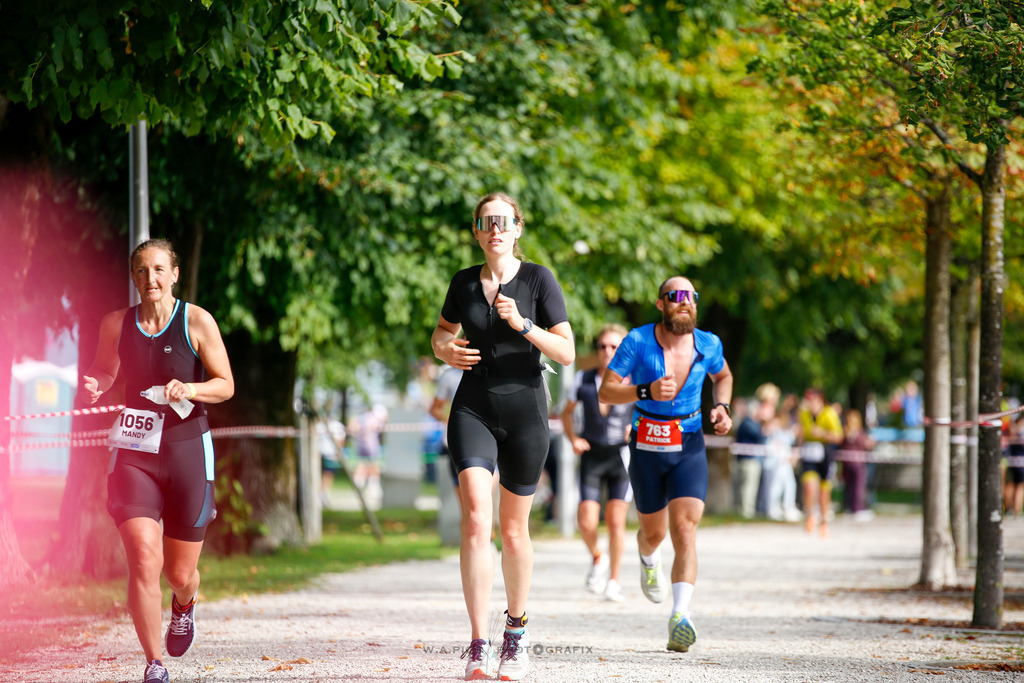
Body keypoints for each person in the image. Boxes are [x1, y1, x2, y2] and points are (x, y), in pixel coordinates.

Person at [431, 192, 575, 681]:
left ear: (518, 228)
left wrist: (524, 324)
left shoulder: (538, 279)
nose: (495, 229)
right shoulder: (463, 282)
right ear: (476, 230)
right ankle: (477, 643)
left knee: (513, 532)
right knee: (476, 521)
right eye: (486, 221)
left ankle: (515, 630)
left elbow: (568, 350)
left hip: (527, 411)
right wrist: (446, 351)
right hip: (472, 406)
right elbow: (440, 333)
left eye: (504, 221)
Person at [80, 238, 234, 683]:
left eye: (160, 269)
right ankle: (154, 664)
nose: (152, 278)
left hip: (187, 450)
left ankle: (184, 604)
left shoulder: (197, 320)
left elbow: (225, 385)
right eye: (143, 271)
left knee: (178, 573)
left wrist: (191, 389)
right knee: (144, 559)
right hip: (134, 451)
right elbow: (106, 369)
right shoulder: (115, 323)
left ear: (175, 275)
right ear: (134, 277)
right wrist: (97, 382)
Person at [598, 276, 733, 654]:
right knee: (654, 533)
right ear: (661, 304)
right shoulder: (639, 340)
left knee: (685, 529)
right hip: (645, 443)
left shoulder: (709, 344)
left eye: (691, 296)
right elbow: (606, 391)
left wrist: (721, 407)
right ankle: (647, 556)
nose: (684, 302)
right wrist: (647, 390)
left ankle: (680, 616)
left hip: (689, 442)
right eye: (675, 296)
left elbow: (723, 376)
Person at [560, 323, 633, 602]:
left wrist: (634, 429)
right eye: (603, 346)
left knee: (616, 522)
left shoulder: (633, 380)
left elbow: (650, 411)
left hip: (620, 457)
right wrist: (573, 438)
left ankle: (614, 580)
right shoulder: (583, 379)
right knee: (586, 522)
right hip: (592, 455)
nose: (607, 351)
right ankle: (597, 557)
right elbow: (566, 413)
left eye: (614, 346)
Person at [797, 388, 844, 537]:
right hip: (809, 453)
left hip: (825, 453)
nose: (810, 403)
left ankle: (824, 521)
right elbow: (802, 434)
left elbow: (839, 436)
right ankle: (810, 515)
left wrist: (822, 434)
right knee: (809, 487)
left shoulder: (829, 413)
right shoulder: (803, 414)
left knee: (824, 492)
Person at [838, 408, 874, 521]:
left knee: (850, 487)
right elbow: (866, 444)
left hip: (846, 463)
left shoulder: (844, 431)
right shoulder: (858, 432)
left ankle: (850, 507)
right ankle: (858, 509)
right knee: (858, 487)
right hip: (857, 464)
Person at [348, 403, 388, 499]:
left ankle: (362, 487)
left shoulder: (364, 417)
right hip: (369, 446)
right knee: (371, 466)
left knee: (364, 466)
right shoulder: (373, 418)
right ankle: (368, 487)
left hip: (364, 446)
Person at [317, 415, 346, 507]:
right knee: (328, 475)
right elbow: (341, 441)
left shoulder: (319, 425)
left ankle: (323, 494)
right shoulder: (336, 426)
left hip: (322, 452)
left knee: (326, 474)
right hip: (329, 453)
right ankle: (322, 494)